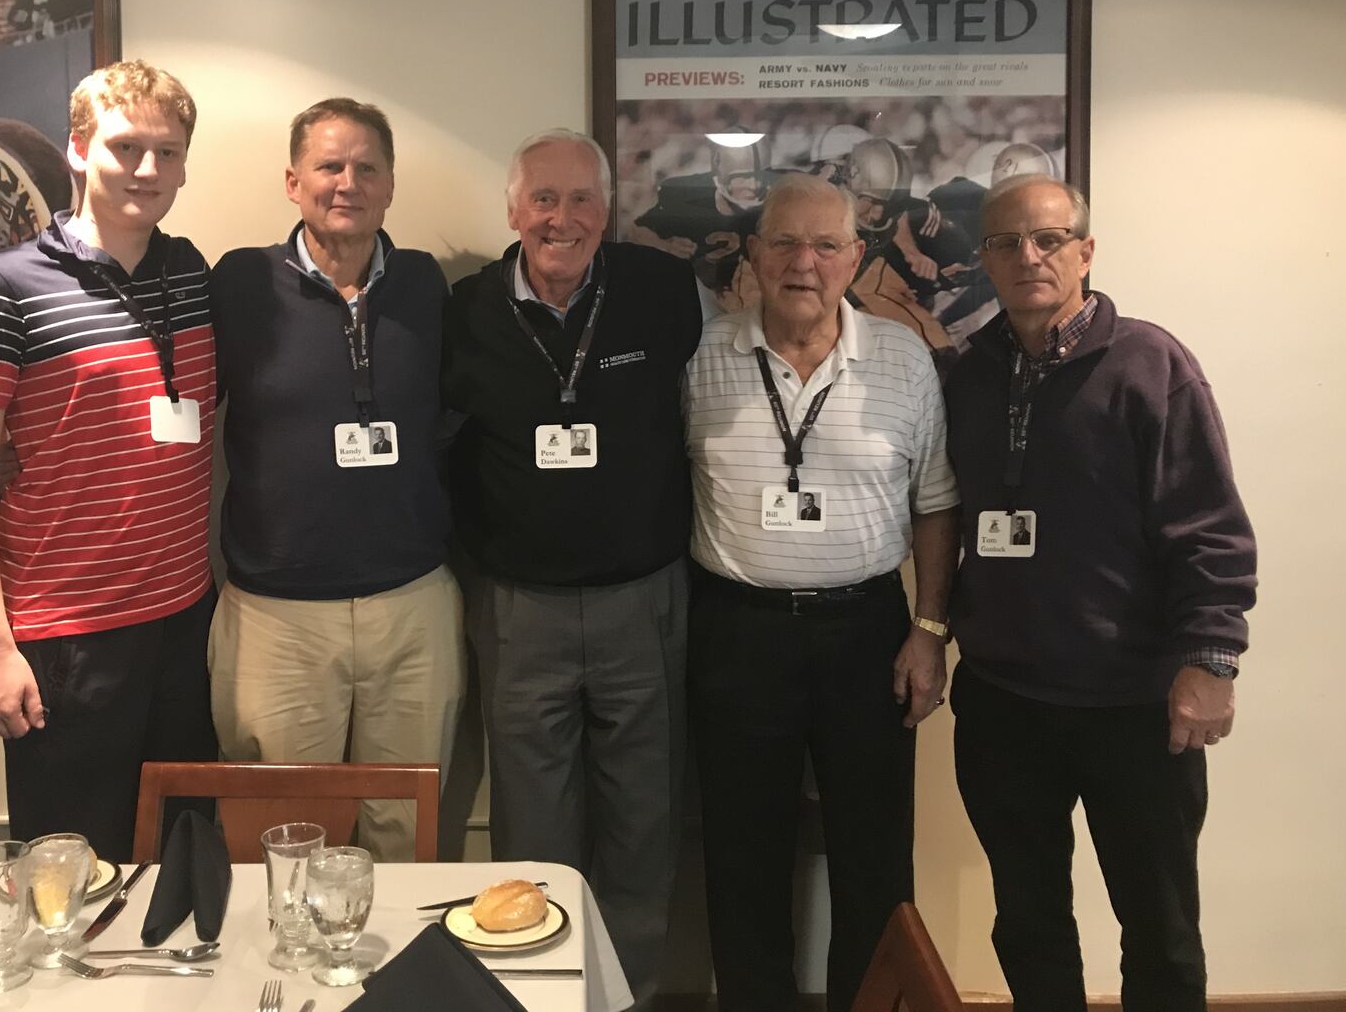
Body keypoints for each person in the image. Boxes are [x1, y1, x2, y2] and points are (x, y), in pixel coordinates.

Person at [944, 174, 1255, 1012]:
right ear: (985, 260)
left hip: (1135, 702)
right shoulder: (966, 371)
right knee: (1029, 918)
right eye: (1006, 242)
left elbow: (1211, 527)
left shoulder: (1150, 363)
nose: (1028, 257)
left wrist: (1211, 661)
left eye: (1048, 239)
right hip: (1006, 701)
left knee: (1158, 924)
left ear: (1086, 250)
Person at [685, 172, 959, 1012]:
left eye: (827, 245)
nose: (804, 262)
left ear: (856, 256)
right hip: (737, 630)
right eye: (785, 243)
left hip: (868, 631)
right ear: (755, 254)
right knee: (742, 852)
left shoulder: (905, 358)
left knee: (875, 853)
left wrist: (928, 629)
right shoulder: (700, 358)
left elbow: (937, 503)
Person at [0, 60, 216, 862]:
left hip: (185, 626)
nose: (148, 169)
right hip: (68, 644)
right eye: (127, 148)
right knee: (72, 887)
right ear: (79, 150)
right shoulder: (3, 288)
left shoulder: (189, 273)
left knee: (186, 874)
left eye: (167, 152)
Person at [444, 128, 703, 998]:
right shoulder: (467, 308)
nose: (563, 218)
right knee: (531, 829)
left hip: (645, 601)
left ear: (609, 210)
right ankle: (542, 996)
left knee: (643, 822)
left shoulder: (662, 293)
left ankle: (626, 994)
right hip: (519, 609)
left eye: (582, 199)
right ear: (514, 210)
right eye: (544, 200)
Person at [208, 97, 462, 862]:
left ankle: (397, 985)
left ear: (389, 186)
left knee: (403, 834)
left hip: (411, 606)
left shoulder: (425, 286)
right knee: (281, 842)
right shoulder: (240, 283)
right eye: (329, 165)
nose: (346, 182)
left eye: (366, 168)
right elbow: (170, 397)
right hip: (277, 618)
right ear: (293, 182)